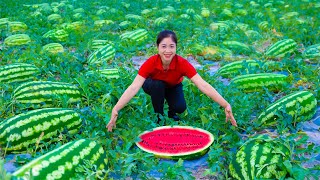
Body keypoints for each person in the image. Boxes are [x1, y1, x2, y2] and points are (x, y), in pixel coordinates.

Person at [106, 30, 237, 132]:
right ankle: (159, 116)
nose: (167, 51)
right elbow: (134, 87)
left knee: (180, 107)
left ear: (176, 47)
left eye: (171, 46)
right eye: (163, 46)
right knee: (158, 85)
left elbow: (202, 84)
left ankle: (171, 112)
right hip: (153, 84)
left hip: (173, 86)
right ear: (157, 47)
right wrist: (116, 108)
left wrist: (225, 104)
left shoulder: (182, 63)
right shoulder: (151, 62)